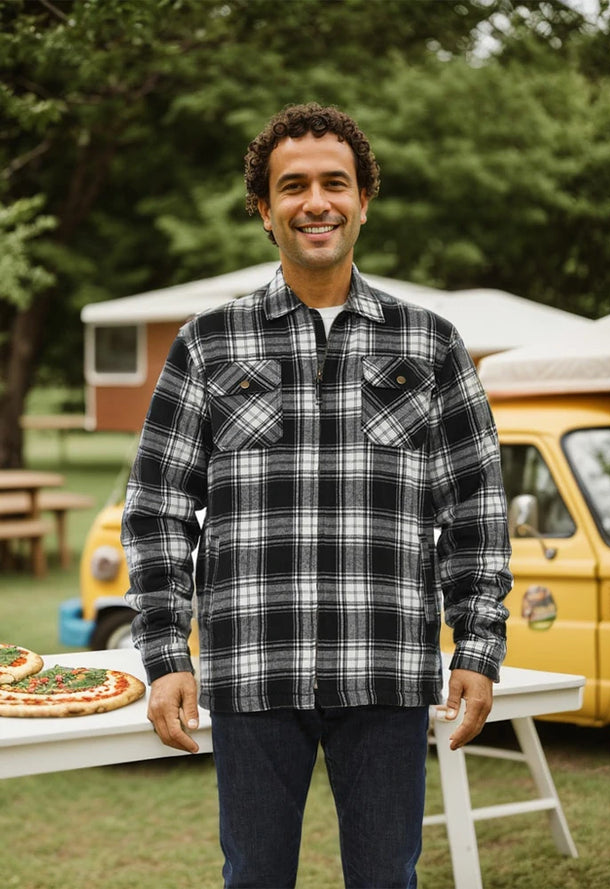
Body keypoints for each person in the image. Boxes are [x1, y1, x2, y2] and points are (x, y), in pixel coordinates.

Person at [122, 102, 511, 889]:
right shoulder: (208, 342)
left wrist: (478, 644)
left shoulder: (430, 343)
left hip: (388, 670)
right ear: (265, 211)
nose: (316, 202)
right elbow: (158, 506)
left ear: (365, 199)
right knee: (254, 878)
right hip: (253, 672)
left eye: (335, 182)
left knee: (385, 879)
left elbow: (475, 508)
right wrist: (165, 652)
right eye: (292, 186)